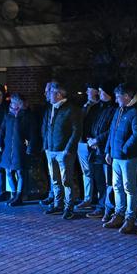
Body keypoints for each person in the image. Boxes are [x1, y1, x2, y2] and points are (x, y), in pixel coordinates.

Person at [103, 83, 137, 234]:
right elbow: (112, 131)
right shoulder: (120, 110)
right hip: (116, 155)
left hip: (129, 157)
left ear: (127, 96)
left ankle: (130, 217)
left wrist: (124, 149)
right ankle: (119, 214)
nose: (116, 100)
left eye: (118, 97)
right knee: (117, 186)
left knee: (129, 187)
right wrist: (108, 150)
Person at [42, 81, 82, 220]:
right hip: (51, 150)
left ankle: (69, 207)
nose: (47, 94)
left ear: (58, 94)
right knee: (55, 179)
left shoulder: (71, 109)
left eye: (50, 92)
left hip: (64, 151)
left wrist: (68, 149)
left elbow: (76, 131)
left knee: (67, 180)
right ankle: (58, 204)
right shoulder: (50, 108)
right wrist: (46, 146)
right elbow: (46, 128)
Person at [85, 81, 117, 222]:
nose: (99, 93)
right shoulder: (98, 108)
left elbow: (110, 130)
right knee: (99, 179)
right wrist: (90, 139)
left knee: (108, 181)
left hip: (104, 149)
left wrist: (97, 140)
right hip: (95, 149)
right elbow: (91, 124)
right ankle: (101, 205)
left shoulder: (114, 109)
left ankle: (108, 207)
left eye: (102, 91)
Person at [0, 93, 36, 207]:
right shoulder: (8, 115)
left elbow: (32, 133)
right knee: (8, 171)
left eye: (14, 102)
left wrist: (30, 147)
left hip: (20, 148)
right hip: (8, 148)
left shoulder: (27, 116)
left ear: (19, 104)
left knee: (20, 172)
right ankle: (13, 194)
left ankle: (19, 196)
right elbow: (2, 129)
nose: (11, 104)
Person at [75, 83, 101, 212]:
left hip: (93, 143)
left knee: (97, 172)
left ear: (96, 92)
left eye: (89, 90)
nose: (86, 92)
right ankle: (87, 198)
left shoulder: (100, 107)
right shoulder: (85, 106)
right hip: (82, 142)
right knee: (86, 172)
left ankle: (98, 198)